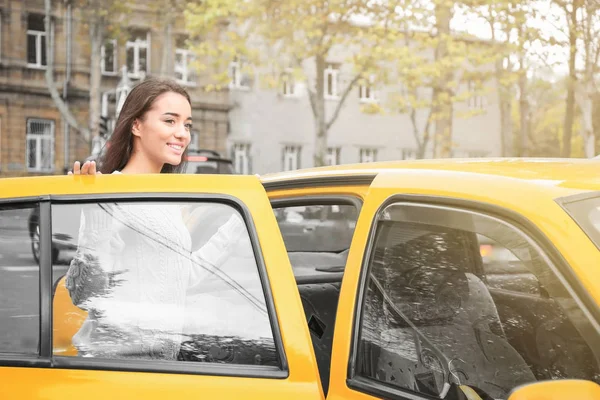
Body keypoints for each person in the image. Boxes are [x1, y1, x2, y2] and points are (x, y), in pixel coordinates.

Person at [64, 77, 256, 360]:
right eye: (170, 121)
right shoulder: (108, 191)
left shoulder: (164, 199)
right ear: (136, 125)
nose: (183, 134)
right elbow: (83, 295)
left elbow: (182, 277)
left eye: (187, 124)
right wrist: (96, 229)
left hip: (159, 366)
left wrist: (242, 218)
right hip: (117, 369)